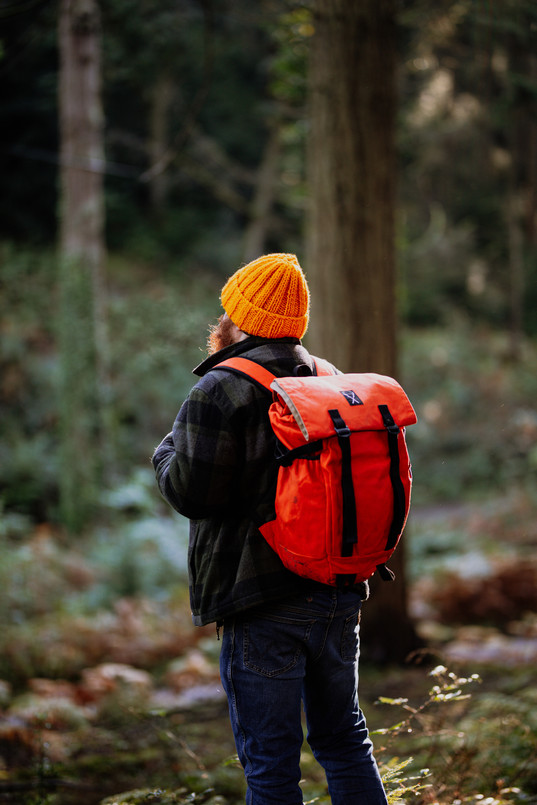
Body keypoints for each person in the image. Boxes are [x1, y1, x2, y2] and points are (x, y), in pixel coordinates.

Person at [152, 253, 388, 805]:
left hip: (259, 601)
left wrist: (165, 451)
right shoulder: (331, 379)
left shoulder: (221, 389)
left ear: (236, 319)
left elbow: (190, 492)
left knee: (270, 766)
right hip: (337, 590)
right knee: (345, 740)